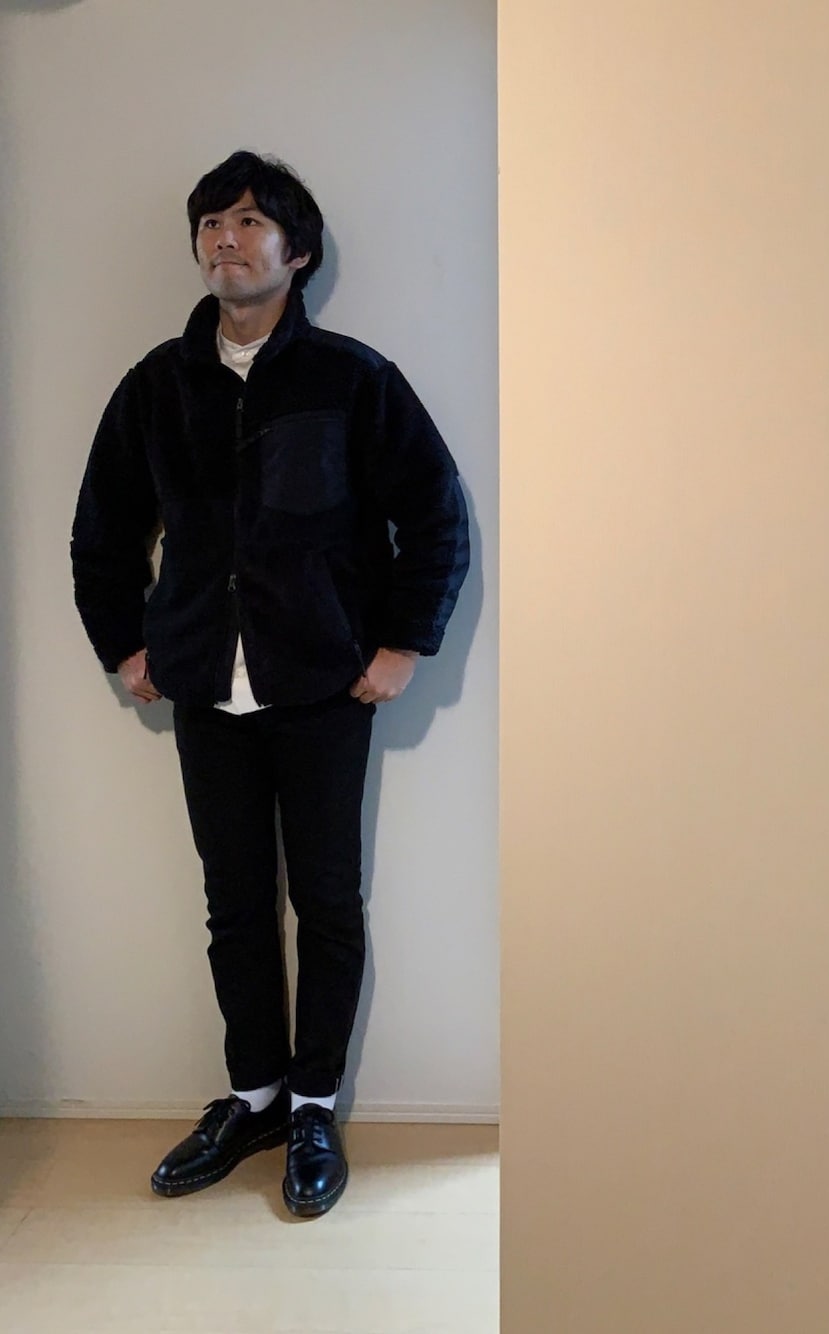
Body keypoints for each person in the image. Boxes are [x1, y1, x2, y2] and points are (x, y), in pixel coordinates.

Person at [70, 151, 469, 1218]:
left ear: (297, 251)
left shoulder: (351, 379)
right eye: (212, 222)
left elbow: (434, 513)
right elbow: (101, 532)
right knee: (234, 904)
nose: (227, 238)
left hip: (324, 687)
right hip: (207, 686)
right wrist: (126, 646)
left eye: (250, 220)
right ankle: (253, 1095)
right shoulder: (158, 386)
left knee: (327, 901)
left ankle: (314, 1105)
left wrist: (402, 645)